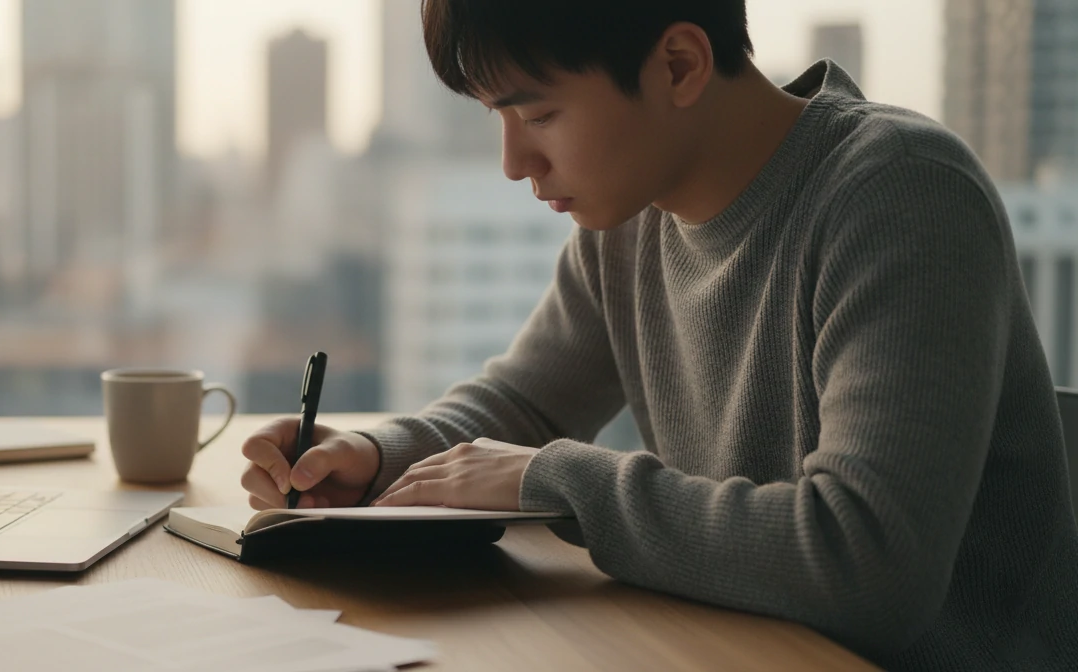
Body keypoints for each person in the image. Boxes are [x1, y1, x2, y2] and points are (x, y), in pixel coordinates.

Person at [238, 1, 1078, 669]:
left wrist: (558, 482)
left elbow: (868, 565)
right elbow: (523, 402)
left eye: (538, 112)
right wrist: (375, 454)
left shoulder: (900, 198)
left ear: (679, 64)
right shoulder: (632, 222)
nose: (513, 161)